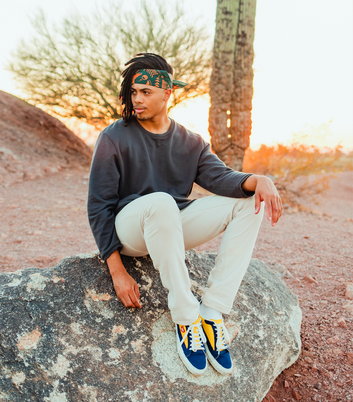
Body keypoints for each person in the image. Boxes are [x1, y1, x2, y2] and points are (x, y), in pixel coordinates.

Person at [87, 52, 282, 376]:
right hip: (131, 230)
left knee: (249, 202)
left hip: (170, 224)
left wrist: (258, 179)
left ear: (168, 92)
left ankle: (212, 312)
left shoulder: (190, 142)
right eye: (133, 92)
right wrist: (117, 271)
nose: (137, 99)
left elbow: (221, 179)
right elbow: (98, 206)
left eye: (145, 92)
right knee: (161, 201)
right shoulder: (113, 137)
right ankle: (186, 317)